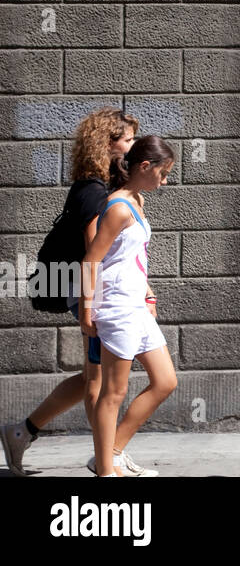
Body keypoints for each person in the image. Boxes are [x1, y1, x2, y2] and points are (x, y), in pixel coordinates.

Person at [1, 108, 145, 477]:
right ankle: (106, 461)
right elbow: (93, 255)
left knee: (90, 379)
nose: (132, 146)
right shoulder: (93, 193)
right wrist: (89, 311)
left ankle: (23, 431)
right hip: (86, 294)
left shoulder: (97, 187)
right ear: (107, 143)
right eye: (127, 139)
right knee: (97, 382)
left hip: (88, 292)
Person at [81, 137, 178, 476]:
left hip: (136, 306)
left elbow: (132, 257)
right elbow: (91, 261)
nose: (164, 182)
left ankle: (111, 453)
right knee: (113, 392)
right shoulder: (118, 207)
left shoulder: (136, 200)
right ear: (144, 167)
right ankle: (107, 471)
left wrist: (148, 293)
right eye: (163, 174)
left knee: (165, 381)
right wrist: (85, 313)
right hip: (117, 309)